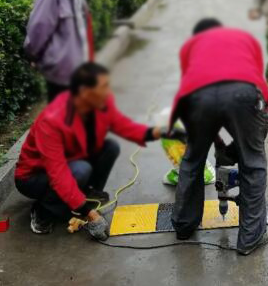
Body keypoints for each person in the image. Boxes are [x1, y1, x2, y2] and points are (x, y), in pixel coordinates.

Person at [15, 63, 166, 239]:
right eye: (103, 87)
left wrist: (157, 132)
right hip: (34, 176)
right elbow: (58, 173)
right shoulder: (52, 121)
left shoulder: (100, 102)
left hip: (72, 160)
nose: (108, 92)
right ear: (85, 91)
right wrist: (90, 214)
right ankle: (43, 210)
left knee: (110, 147)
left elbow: (122, 124)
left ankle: (83, 196)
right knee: (80, 170)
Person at [171, 18, 268, 255]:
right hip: (244, 93)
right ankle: (251, 238)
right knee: (254, 164)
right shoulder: (245, 38)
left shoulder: (190, 45)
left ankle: (184, 225)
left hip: (197, 97)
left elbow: (190, 85)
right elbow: (259, 84)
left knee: (192, 160)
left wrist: (214, 139)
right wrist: (248, 144)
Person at [25, 0, 96, 102]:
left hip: (80, 71)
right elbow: (38, 30)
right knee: (63, 121)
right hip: (61, 75)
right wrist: (36, 57)